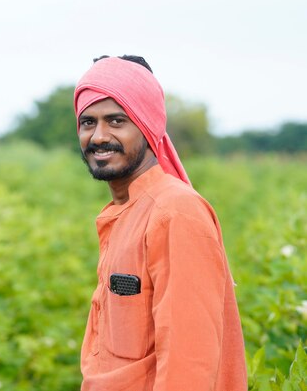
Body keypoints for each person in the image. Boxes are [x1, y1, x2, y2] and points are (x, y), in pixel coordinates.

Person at [74, 55, 247, 390]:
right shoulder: (125, 211)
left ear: (147, 124)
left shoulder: (174, 213)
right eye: (88, 122)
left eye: (116, 120)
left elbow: (190, 366)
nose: (98, 136)